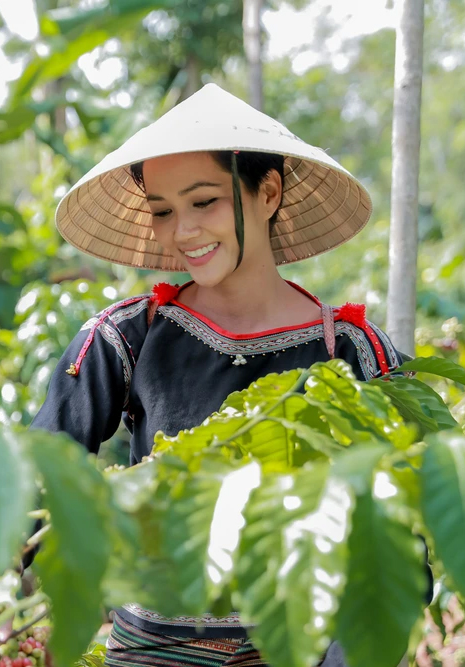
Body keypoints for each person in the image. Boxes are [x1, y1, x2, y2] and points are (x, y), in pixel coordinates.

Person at [29, 83, 403, 667]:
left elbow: (397, 549)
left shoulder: (352, 352)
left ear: (268, 192)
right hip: (149, 652)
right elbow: (36, 478)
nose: (183, 231)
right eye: (162, 211)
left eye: (204, 202)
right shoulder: (127, 336)